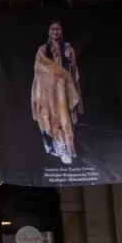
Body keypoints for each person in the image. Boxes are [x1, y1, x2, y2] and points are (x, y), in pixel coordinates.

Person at [31, 19, 82, 165]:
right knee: (51, 116)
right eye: (53, 29)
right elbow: (38, 68)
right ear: (49, 30)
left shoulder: (67, 47)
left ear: (62, 31)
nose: (55, 32)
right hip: (48, 89)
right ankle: (58, 147)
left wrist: (70, 60)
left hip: (63, 90)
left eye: (58, 29)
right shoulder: (43, 49)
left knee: (64, 116)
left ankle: (66, 147)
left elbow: (73, 71)